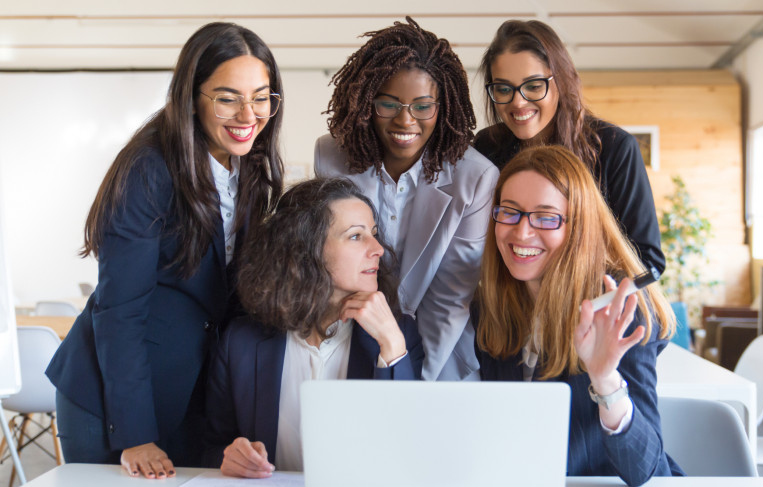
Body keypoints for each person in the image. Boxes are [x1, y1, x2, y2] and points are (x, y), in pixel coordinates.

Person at [45, 22, 285, 479]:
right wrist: (134, 434)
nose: (248, 113)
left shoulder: (248, 170)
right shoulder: (149, 169)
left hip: (189, 390)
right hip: (112, 401)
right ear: (192, 98)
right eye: (228, 97)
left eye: (261, 96)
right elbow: (119, 311)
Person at [474, 146, 683, 486]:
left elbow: (647, 472)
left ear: (580, 226)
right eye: (509, 212)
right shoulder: (490, 304)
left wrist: (605, 381)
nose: (521, 233)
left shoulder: (621, 309)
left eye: (546, 217)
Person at [315, 17, 498, 381]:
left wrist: (411, 378)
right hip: (348, 336)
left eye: (422, 106)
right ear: (368, 100)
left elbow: (450, 298)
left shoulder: (475, 178)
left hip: (439, 355)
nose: (405, 120)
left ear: (442, 107)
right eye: (389, 104)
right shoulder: (331, 156)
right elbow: (326, 264)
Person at [202, 177, 424, 477]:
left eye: (373, 234)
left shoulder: (399, 336)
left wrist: (393, 347)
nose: (378, 249)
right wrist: (229, 457)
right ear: (306, 249)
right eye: (356, 237)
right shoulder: (241, 341)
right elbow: (212, 445)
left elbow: (408, 456)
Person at [473, 20, 665, 276]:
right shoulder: (487, 148)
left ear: (561, 82)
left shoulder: (614, 148)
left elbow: (647, 261)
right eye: (503, 88)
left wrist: (579, 305)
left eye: (533, 86)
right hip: (510, 308)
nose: (517, 102)